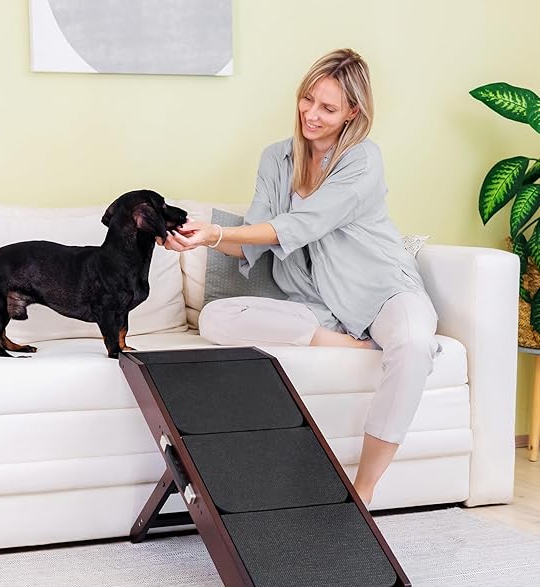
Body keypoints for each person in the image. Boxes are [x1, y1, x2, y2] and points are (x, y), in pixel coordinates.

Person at [158, 48, 440, 507]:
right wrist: (199, 238)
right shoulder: (276, 159)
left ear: (352, 112)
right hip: (317, 309)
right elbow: (254, 240)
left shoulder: (363, 159)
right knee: (216, 318)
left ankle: (363, 492)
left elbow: (302, 225)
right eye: (307, 99)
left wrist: (220, 231)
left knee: (413, 343)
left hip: (383, 290)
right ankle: (355, 346)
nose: (311, 114)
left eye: (327, 107)